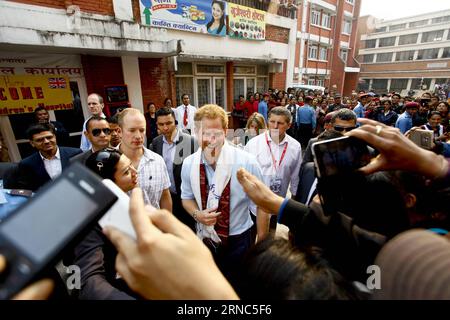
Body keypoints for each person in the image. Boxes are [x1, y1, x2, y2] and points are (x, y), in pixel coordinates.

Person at [180, 104, 266, 281]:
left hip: (239, 239)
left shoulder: (247, 162)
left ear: (226, 131)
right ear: (196, 132)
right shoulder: (189, 163)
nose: (211, 139)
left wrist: (262, 245)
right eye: (205, 133)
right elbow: (186, 198)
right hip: (204, 238)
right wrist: (197, 214)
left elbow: (262, 205)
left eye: (217, 133)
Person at [71, 148, 139, 300]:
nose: (136, 172)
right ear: (107, 183)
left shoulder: (128, 197)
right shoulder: (88, 218)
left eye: (132, 166)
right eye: (127, 172)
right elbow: (90, 279)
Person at [150, 107, 198, 231]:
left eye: (168, 123)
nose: (165, 127)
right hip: (166, 198)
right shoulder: (156, 143)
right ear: (157, 125)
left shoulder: (191, 142)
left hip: (187, 199)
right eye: (161, 124)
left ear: (175, 122)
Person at [117, 108, 172, 210]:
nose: (138, 136)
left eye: (142, 130)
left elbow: (165, 196)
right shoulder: (109, 162)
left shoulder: (158, 161)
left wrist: (166, 224)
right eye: (132, 130)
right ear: (119, 131)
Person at [15, 123, 82, 191]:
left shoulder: (76, 154)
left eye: (49, 137)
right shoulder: (27, 164)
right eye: (39, 140)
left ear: (55, 137)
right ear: (32, 143)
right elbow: (28, 190)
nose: (46, 141)